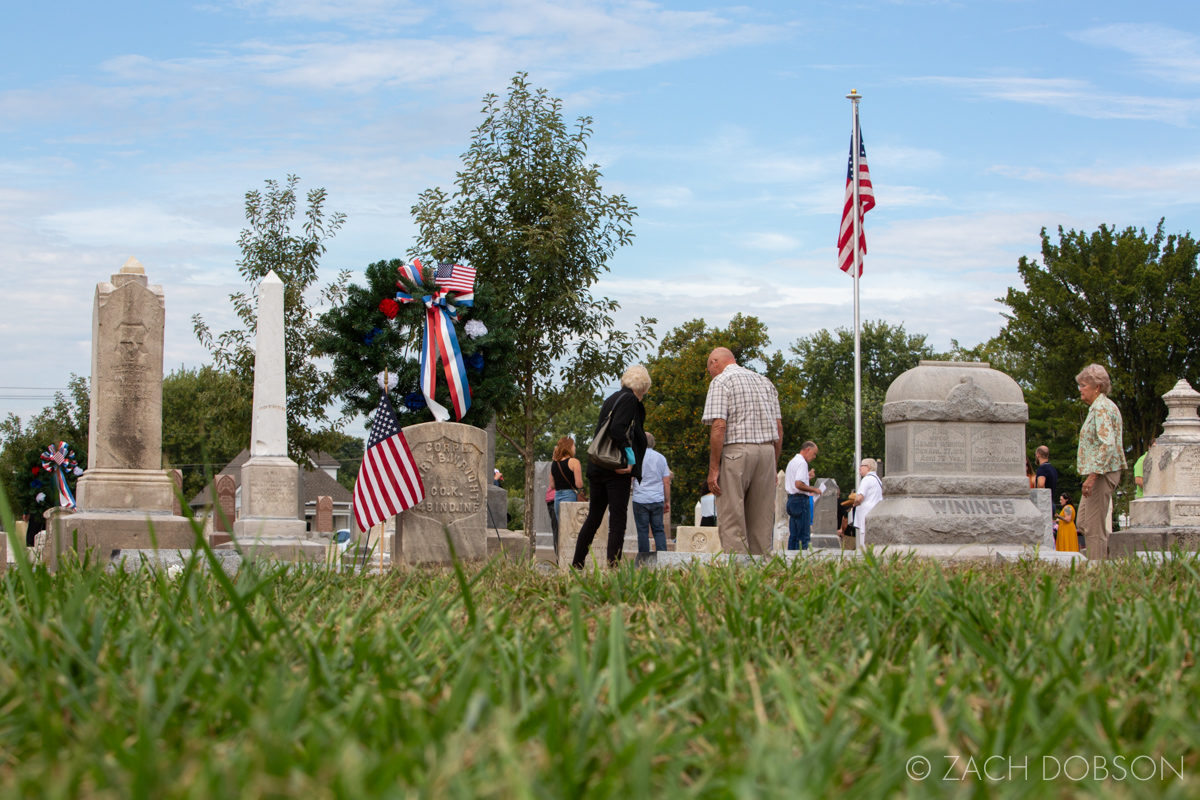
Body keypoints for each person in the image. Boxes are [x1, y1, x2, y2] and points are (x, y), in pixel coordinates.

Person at [702, 347, 782, 554]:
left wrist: (713, 469)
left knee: (731, 517)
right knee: (762, 518)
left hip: (737, 451)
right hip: (767, 452)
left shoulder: (721, 382)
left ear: (715, 363)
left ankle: (737, 572)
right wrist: (774, 464)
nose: (710, 373)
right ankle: (763, 570)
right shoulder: (765, 382)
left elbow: (719, 425)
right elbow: (779, 428)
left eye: (709, 368)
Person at [571, 365, 649, 569]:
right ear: (643, 387)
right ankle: (613, 567)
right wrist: (630, 459)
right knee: (618, 520)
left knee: (594, 517)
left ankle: (577, 564)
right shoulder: (630, 399)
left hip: (598, 466)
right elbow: (617, 429)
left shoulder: (611, 398)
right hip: (616, 469)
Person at [1075, 363, 1126, 561]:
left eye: (1084, 385)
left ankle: (1096, 570)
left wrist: (1093, 476)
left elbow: (1107, 444)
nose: (1080, 389)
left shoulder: (1102, 409)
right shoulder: (1098, 408)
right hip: (1097, 473)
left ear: (1097, 387)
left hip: (1102, 474)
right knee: (1083, 522)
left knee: (1093, 525)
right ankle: (1100, 560)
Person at [632, 432, 671, 553]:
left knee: (642, 531)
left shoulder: (636, 457)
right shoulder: (661, 458)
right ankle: (662, 559)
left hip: (640, 499)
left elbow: (631, 478)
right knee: (658, 530)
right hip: (657, 498)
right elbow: (666, 482)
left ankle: (644, 560)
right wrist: (667, 500)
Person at [784, 441, 823, 550]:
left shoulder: (793, 461)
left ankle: (790, 559)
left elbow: (794, 481)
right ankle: (802, 561)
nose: (814, 457)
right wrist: (814, 489)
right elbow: (798, 484)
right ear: (807, 450)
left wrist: (807, 476)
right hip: (800, 500)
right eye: (814, 453)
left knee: (794, 535)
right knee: (803, 536)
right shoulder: (802, 463)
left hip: (791, 499)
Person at [550, 436, 583, 555]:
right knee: (572, 530)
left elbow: (552, 485)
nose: (575, 448)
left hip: (557, 497)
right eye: (573, 445)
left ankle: (562, 557)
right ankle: (573, 557)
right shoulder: (574, 462)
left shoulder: (554, 464)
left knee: (562, 529)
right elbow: (579, 484)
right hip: (570, 495)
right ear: (569, 447)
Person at [848, 458, 884, 540]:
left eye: (861, 466)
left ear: (868, 467)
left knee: (864, 541)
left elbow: (859, 498)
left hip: (865, 515)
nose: (859, 468)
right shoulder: (878, 480)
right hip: (875, 513)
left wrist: (854, 503)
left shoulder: (867, 479)